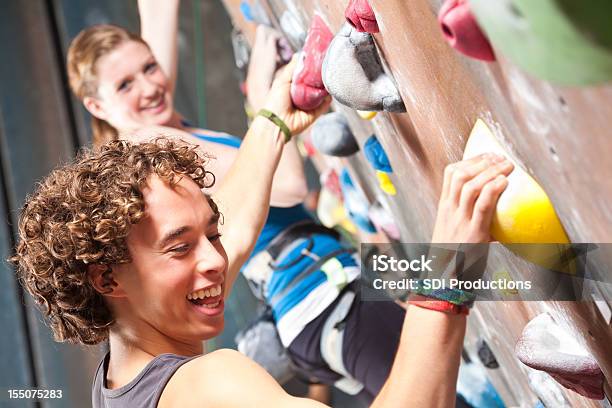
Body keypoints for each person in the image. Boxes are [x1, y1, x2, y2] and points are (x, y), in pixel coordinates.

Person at [12, 134, 513, 407]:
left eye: (210, 233)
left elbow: (242, 226)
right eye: (179, 248)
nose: (215, 258)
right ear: (108, 279)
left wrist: (274, 120)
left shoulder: (116, 383)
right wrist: (449, 270)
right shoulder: (207, 385)